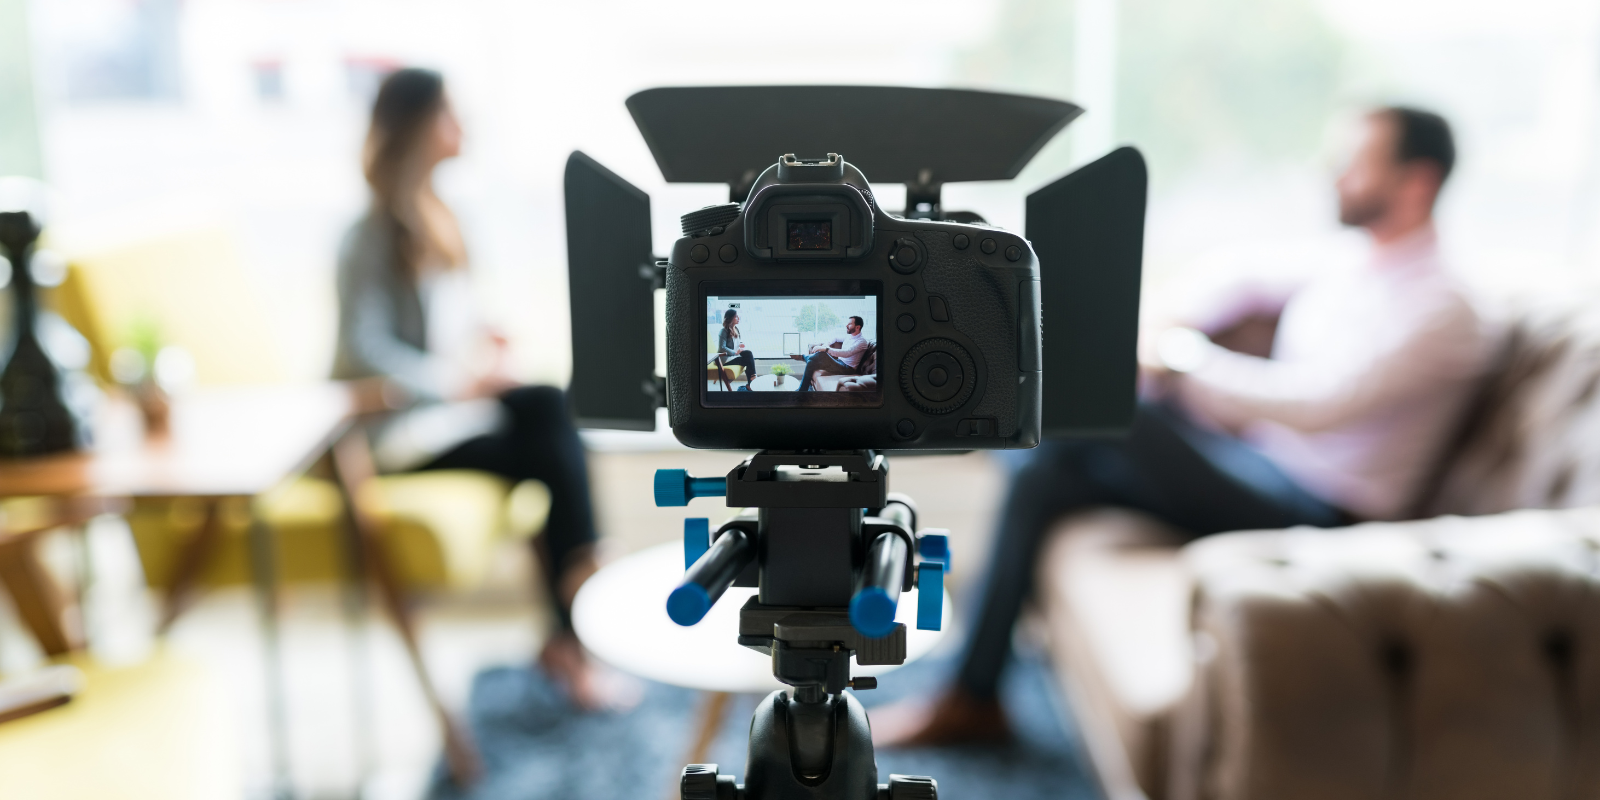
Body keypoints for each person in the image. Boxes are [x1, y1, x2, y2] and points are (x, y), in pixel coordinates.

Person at [873, 106, 1496, 745]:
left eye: (1353, 164)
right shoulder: (1355, 263)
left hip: (1323, 511)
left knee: (1116, 409)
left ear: (1416, 182)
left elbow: (1318, 403)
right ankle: (972, 694)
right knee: (1052, 467)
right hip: (1261, 465)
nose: (1332, 176)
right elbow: (1243, 275)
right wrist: (1175, 319)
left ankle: (969, 683)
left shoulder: (1444, 307)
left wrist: (1177, 361)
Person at [332, 68, 622, 709]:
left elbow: (448, 326)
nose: (462, 128)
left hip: (445, 417)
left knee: (548, 403)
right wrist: (461, 381)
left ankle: (574, 599)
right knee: (548, 440)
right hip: (397, 432)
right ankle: (578, 595)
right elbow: (364, 352)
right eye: (449, 115)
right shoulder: (369, 235)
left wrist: (485, 342)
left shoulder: (441, 217)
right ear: (416, 126)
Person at [797, 315, 870, 390]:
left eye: (849, 324)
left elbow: (847, 353)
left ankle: (804, 357)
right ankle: (802, 390)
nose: (846, 325)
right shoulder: (850, 336)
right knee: (811, 362)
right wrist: (827, 344)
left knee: (822, 355)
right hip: (839, 362)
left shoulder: (862, 342)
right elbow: (835, 338)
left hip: (848, 368)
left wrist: (826, 349)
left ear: (858, 327)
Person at [718, 308, 757, 389]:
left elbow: (736, 343)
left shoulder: (736, 330)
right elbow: (722, 348)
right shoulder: (723, 331)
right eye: (736, 316)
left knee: (748, 353)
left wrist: (740, 344)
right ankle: (751, 381)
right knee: (748, 360)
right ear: (731, 318)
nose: (738, 318)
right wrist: (735, 352)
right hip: (725, 359)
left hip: (733, 356)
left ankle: (751, 381)